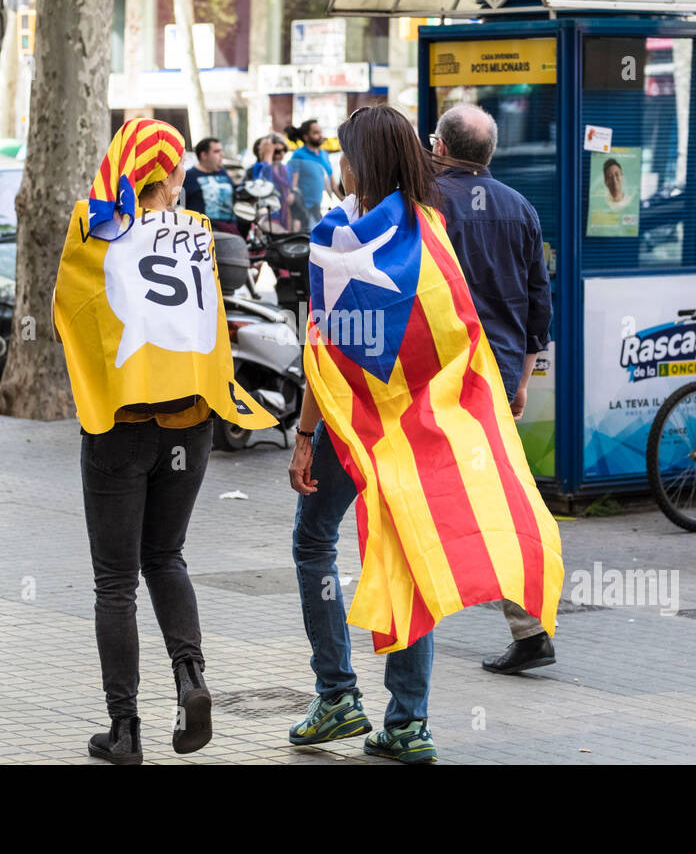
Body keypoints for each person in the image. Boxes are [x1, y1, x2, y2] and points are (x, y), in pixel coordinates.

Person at [287, 105, 564, 764]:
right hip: (424, 425)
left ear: (361, 163)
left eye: (345, 155)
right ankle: (408, 720)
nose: (339, 165)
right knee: (412, 548)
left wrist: (304, 434)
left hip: (350, 424)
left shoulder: (340, 238)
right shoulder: (431, 228)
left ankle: (336, 696)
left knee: (312, 541)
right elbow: (458, 329)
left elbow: (324, 347)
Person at [52, 117, 275, 765]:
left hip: (121, 426)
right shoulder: (201, 233)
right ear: (173, 176)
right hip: (191, 424)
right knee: (166, 558)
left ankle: (124, 731)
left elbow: (71, 309)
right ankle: (191, 677)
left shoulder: (91, 226)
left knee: (115, 581)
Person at [430, 104, 558, 674]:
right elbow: (538, 308)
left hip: (441, 374)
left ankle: (413, 617)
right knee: (496, 494)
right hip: (500, 375)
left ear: (440, 148)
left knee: (438, 490)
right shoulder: (520, 208)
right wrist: (523, 379)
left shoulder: (426, 206)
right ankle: (527, 625)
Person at [285, 119, 334, 229]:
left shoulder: (325, 154)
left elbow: (332, 184)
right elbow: (293, 184)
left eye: (320, 132)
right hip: (306, 208)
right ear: (306, 136)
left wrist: (343, 199)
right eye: (316, 133)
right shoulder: (298, 155)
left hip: (325, 206)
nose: (320, 135)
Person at [183, 136, 237, 234]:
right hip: (203, 232)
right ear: (204, 155)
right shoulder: (188, 176)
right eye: (216, 151)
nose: (221, 155)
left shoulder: (223, 172)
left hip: (229, 229)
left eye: (221, 151)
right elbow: (179, 205)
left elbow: (236, 195)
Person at [246, 134, 291, 227]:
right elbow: (263, 187)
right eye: (277, 151)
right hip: (264, 219)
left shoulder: (284, 170)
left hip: (286, 218)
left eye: (284, 150)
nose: (282, 154)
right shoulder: (254, 169)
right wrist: (267, 157)